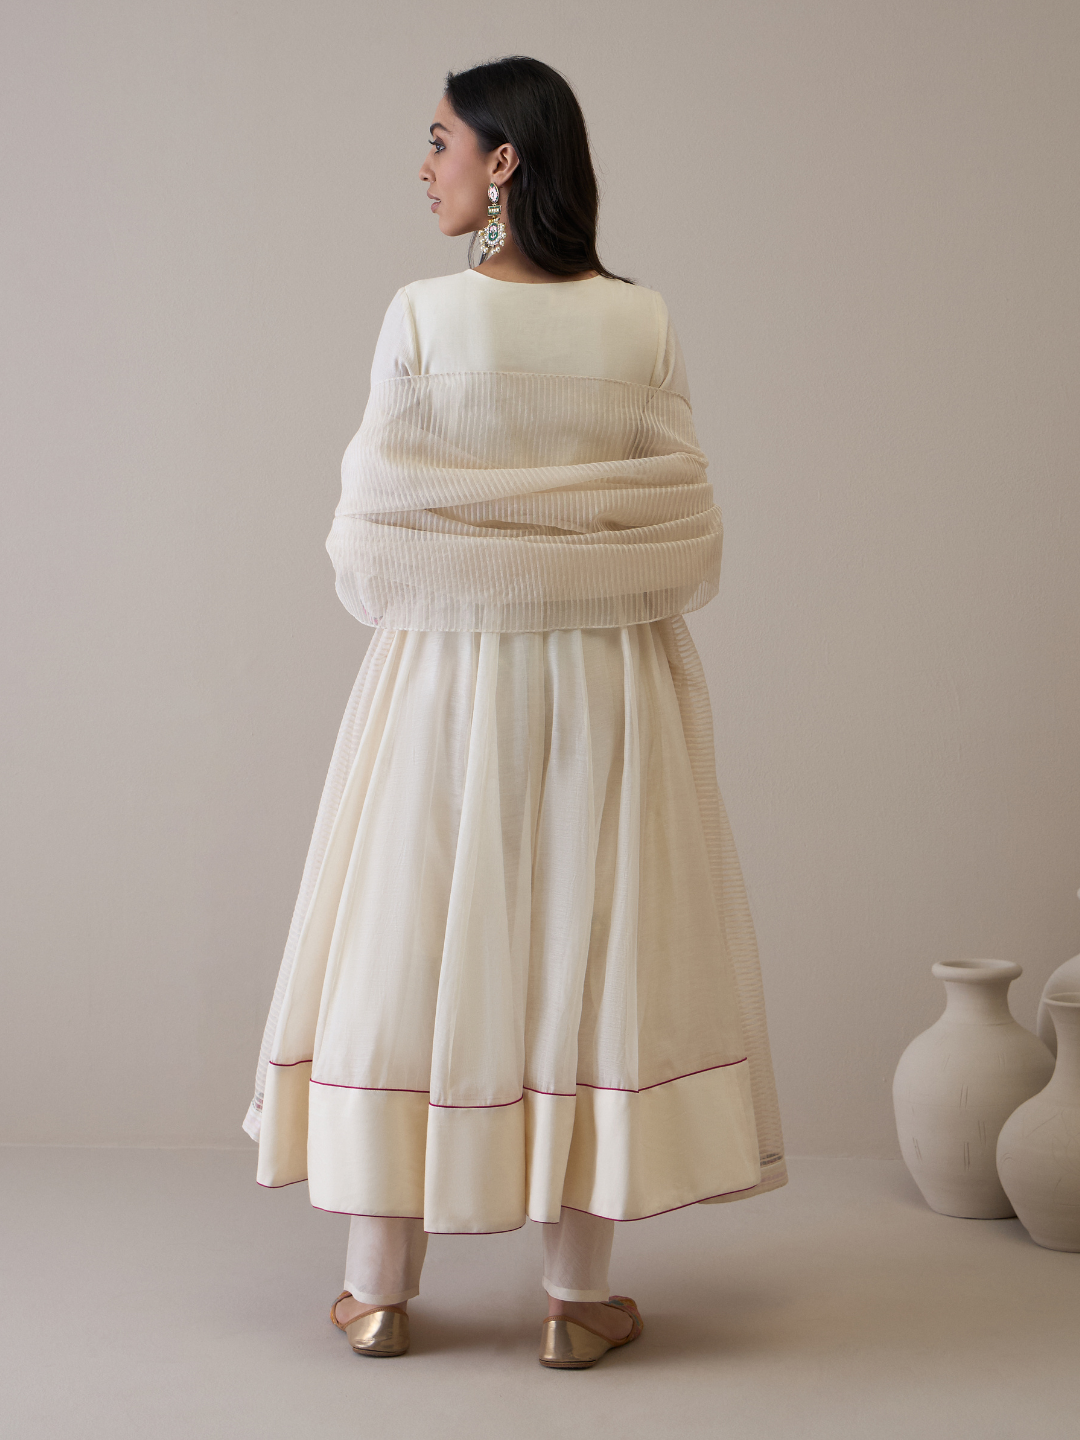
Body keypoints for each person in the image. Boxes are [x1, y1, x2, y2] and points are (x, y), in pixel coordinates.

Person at [244, 55, 785, 1369]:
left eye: (440, 140)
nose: (422, 165)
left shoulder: (423, 317)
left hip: (446, 677)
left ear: (504, 162)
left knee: (411, 941)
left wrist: (475, 555)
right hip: (609, 683)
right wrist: (574, 555)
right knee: (592, 954)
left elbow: (368, 548)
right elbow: (686, 535)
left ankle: (378, 1289)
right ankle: (575, 1300)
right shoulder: (642, 324)